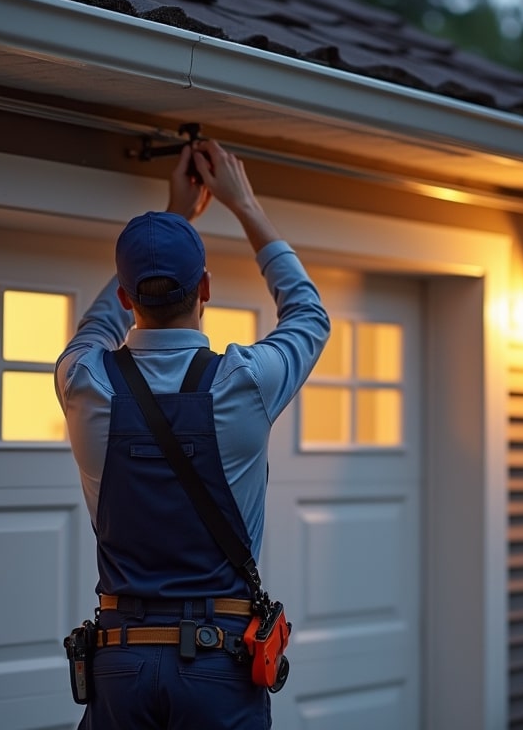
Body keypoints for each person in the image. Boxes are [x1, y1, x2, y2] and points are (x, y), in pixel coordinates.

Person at [55, 138, 330, 729]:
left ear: (128, 298)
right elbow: (308, 314)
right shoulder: (244, 382)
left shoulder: (84, 382)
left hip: (120, 665)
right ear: (204, 288)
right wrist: (245, 205)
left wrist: (173, 216)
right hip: (217, 663)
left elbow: (95, 325)